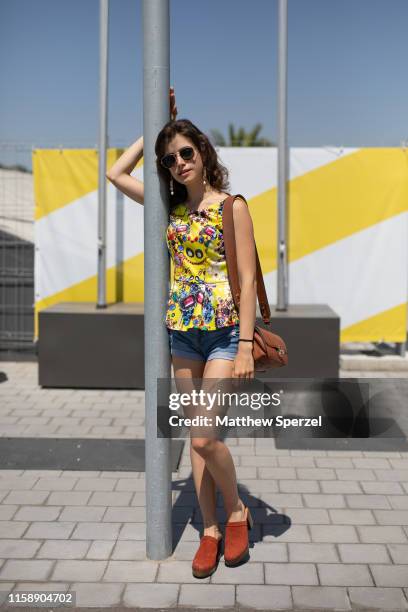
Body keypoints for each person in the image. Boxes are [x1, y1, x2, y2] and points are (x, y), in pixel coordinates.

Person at [106, 87, 257, 578]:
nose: (178, 163)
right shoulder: (167, 206)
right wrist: (157, 124)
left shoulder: (232, 206)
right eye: (169, 159)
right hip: (182, 335)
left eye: (185, 152)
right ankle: (210, 529)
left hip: (222, 335)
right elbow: (115, 173)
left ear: (203, 152)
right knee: (196, 435)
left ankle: (237, 511)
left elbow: (250, 280)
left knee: (203, 439)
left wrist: (247, 347)